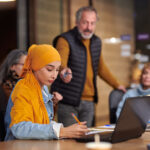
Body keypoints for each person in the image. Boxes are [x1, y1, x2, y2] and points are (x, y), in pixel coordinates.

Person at [51, 6, 126, 127]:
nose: (89, 28)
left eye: (92, 23)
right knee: (70, 142)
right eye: (85, 22)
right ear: (77, 22)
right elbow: (60, 62)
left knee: (86, 139)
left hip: (89, 102)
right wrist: (64, 71)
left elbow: (100, 68)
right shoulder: (65, 39)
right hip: (68, 100)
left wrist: (117, 85)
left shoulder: (96, 41)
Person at [4, 44, 88, 141]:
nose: (54, 75)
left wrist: (64, 129)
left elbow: (43, 123)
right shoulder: (23, 87)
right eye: (49, 69)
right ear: (35, 67)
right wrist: (61, 131)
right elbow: (19, 128)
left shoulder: (43, 88)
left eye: (57, 70)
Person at [0, 49, 27, 141]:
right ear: (12, 66)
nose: (27, 68)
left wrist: (53, 102)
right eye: (23, 64)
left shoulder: (28, 86)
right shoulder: (3, 87)